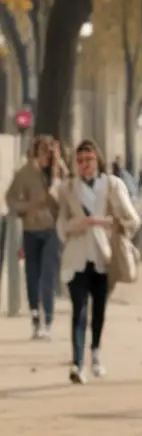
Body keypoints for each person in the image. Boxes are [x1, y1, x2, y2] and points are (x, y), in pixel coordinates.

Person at [55, 139, 140, 383]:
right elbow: (61, 224)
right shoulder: (68, 188)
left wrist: (108, 223)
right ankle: (77, 362)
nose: (85, 165)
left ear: (98, 160)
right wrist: (79, 224)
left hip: (105, 255)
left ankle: (96, 352)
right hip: (77, 255)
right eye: (80, 161)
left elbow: (131, 220)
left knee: (99, 309)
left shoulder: (112, 185)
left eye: (89, 160)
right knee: (79, 308)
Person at [6, 134, 64, 339]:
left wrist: (58, 166)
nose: (46, 155)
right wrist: (27, 207)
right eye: (43, 150)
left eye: (50, 151)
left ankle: (47, 319)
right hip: (30, 229)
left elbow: (69, 192)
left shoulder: (58, 172)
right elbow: (10, 198)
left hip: (52, 230)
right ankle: (35, 318)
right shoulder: (25, 173)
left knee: (48, 276)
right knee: (32, 275)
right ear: (36, 151)